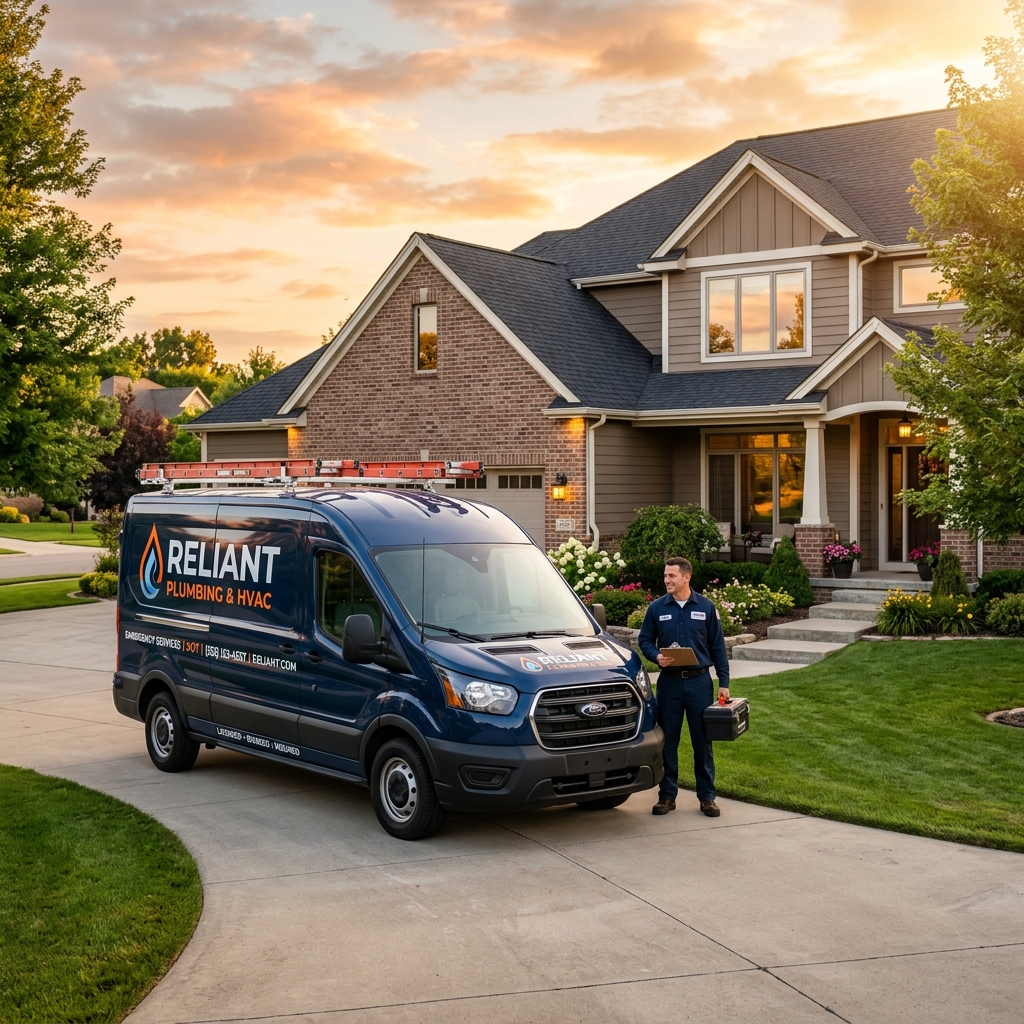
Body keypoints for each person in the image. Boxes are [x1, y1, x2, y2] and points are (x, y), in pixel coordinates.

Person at [638, 557, 729, 817]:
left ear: (686, 577)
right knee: (668, 742)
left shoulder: (706, 607)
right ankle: (667, 796)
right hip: (670, 685)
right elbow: (645, 640)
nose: (667, 580)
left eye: (671, 576)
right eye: (665, 576)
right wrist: (656, 656)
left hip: (700, 683)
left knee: (703, 741)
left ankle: (707, 797)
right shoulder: (656, 608)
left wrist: (724, 682)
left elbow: (718, 648)